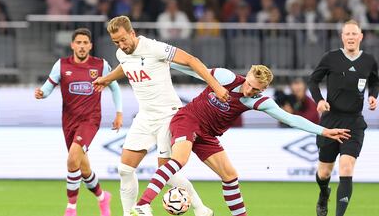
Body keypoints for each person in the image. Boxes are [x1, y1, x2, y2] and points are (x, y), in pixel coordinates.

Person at [130, 64, 351, 216]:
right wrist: (165, 64)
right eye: (250, 84)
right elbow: (195, 70)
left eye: (256, 89)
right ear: (247, 75)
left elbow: (290, 119)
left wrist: (323, 131)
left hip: (207, 135)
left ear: (263, 89)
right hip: (188, 119)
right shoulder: (226, 77)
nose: (249, 90)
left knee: (230, 176)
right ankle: (142, 205)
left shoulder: (259, 101)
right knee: (180, 159)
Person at [92, 15, 229, 216]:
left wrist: (216, 86)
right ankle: (129, 213)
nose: (121, 45)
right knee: (124, 169)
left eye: (123, 39)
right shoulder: (122, 53)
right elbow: (126, 65)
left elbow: (191, 60)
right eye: (116, 42)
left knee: (168, 176)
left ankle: (201, 208)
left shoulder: (155, 48)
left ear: (132, 33)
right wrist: (106, 79)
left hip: (168, 116)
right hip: (145, 117)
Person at [34, 28, 123, 216]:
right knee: (83, 168)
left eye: (85, 43)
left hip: (90, 120)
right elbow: (48, 87)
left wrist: (119, 113)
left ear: (90, 46)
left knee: (72, 159)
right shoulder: (61, 65)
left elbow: (114, 88)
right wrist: (41, 93)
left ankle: (71, 208)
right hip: (68, 121)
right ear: (72, 45)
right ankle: (102, 197)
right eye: (79, 43)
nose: (82, 46)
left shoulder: (100, 65)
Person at [308, 19, 379, 216]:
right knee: (324, 173)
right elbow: (313, 81)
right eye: (347, 34)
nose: (350, 37)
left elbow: (374, 82)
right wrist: (319, 101)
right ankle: (324, 193)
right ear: (342, 37)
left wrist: (373, 96)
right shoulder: (331, 58)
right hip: (331, 121)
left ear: (360, 37)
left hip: (354, 122)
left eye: (354, 34)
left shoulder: (369, 60)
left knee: (346, 168)